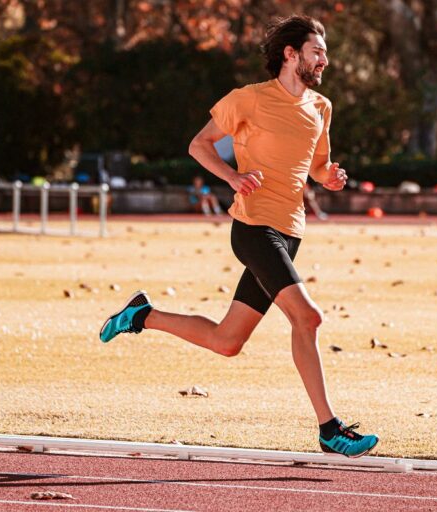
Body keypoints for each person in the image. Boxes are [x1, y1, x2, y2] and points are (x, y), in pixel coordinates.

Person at [100, 15, 378, 458]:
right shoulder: (248, 100)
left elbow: (318, 165)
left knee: (227, 342)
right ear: (291, 54)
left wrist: (331, 178)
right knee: (308, 318)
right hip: (253, 229)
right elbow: (199, 145)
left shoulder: (321, 107)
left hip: (290, 233)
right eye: (317, 51)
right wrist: (232, 177)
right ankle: (330, 429)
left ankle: (141, 316)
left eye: (325, 52)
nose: (325, 59)